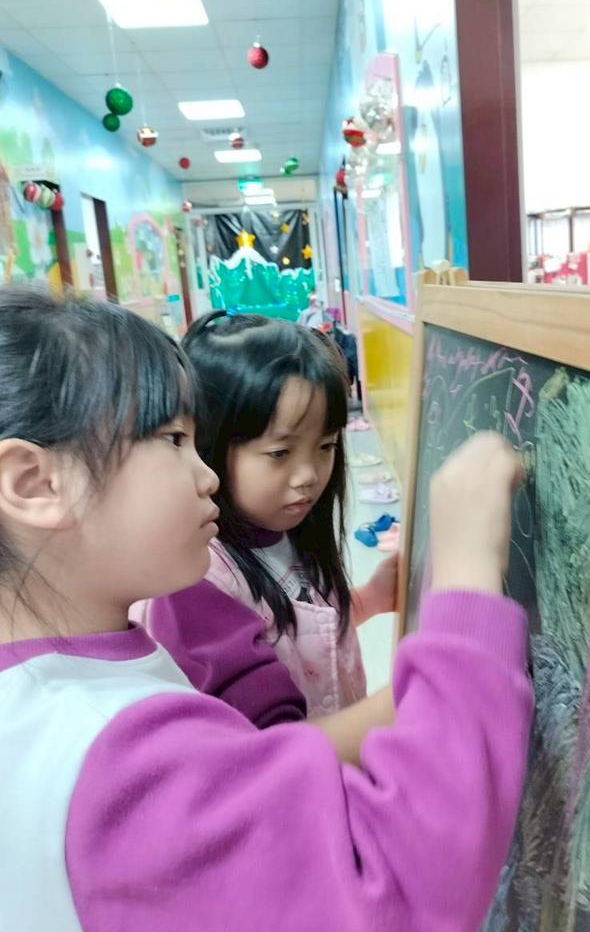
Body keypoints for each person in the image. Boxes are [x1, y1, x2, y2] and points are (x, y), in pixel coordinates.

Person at [0, 285, 532, 932]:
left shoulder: (59, 695)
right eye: (173, 440)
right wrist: (466, 584)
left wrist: (365, 604)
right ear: (36, 483)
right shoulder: (120, 764)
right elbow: (406, 889)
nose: (206, 475)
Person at [136, 311, 395, 720]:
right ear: (210, 446)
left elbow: (299, 635)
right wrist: (414, 695)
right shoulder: (199, 584)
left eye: (326, 446)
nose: (309, 475)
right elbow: (272, 737)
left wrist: (370, 598)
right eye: (280, 453)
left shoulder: (290, 530)